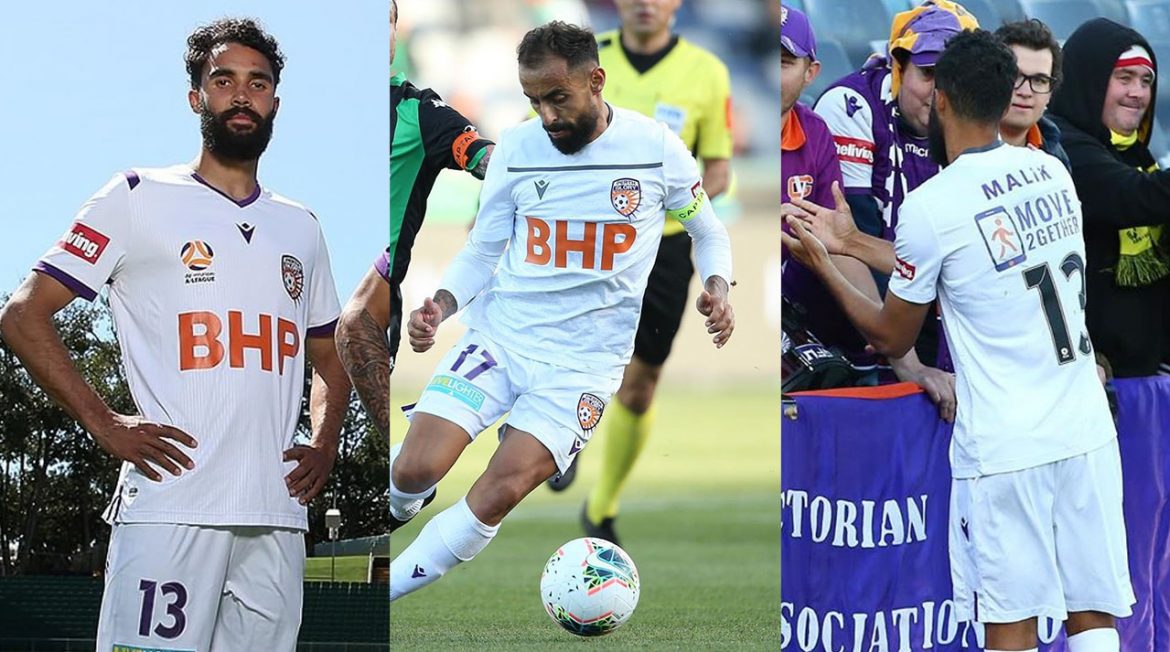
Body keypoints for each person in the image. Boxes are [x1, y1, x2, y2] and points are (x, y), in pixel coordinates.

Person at [0, 18, 351, 649]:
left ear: (275, 101)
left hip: (276, 514)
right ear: (197, 98)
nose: (242, 95)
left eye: (258, 82)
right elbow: (23, 315)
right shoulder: (136, 195)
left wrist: (324, 442)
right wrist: (104, 422)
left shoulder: (302, 227)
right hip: (172, 502)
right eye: (224, 81)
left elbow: (329, 356)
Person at [784, 29, 1133, 652]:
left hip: (1006, 445)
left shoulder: (932, 203)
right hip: (1084, 429)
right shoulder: (1050, 170)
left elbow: (892, 332)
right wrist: (853, 241)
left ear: (941, 98)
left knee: (1010, 623)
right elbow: (971, 261)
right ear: (1005, 99)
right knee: (1092, 614)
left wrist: (824, 263)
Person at [387, 21, 734, 602]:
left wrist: (720, 285)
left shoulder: (655, 150)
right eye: (533, 101)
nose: (546, 116)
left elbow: (709, 229)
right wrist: (441, 306)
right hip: (501, 340)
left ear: (595, 81)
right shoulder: (518, 149)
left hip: (584, 367)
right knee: (414, 470)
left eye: (557, 98)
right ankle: (398, 503)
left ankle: (382, 594)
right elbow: (482, 249)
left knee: (498, 490)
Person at [554, 0, 734, 546]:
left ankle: (601, 506)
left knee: (640, 383)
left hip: (668, 248)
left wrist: (681, 200)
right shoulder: (583, 60)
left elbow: (720, 169)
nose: (645, 4)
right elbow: (538, 136)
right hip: (590, 241)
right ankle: (559, 438)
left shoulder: (707, 72)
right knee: (570, 354)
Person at [810, 0, 974, 409]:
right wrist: (908, 361)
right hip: (854, 335)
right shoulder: (852, 105)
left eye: (953, 77)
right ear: (898, 67)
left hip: (927, 326)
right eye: (929, 73)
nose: (939, 92)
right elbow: (853, 244)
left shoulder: (973, 120)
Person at [1048, 18, 1170, 378]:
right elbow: (1129, 196)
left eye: (1146, 81)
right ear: (1090, 79)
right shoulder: (1062, 145)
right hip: (1093, 374)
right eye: (1125, 78)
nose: (1139, 93)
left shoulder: (1139, 157)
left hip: (1146, 368)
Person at [388, 0, 495, 372]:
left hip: (374, 304)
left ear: (394, 36)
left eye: (385, 21)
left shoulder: (419, 112)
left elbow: (486, 158)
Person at [994, 19, 1069, 169]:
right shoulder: (955, 148)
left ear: (1050, 93)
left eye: (1039, 80)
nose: (1026, 92)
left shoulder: (1055, 157)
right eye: (1015, 77)